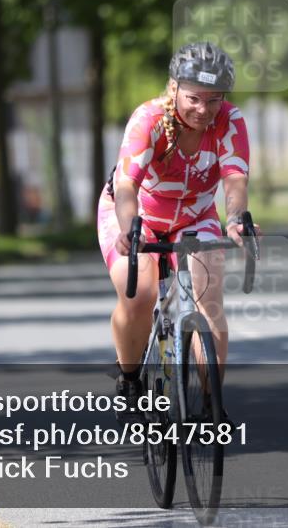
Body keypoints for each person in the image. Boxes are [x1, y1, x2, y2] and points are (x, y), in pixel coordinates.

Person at [97, 41, 257, 410]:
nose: (204, 110)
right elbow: (126, 186)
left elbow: (235, 180)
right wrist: (129, 229)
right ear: (174, 88)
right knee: (137, 292)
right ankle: (131, 378)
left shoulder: (230, 121)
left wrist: (235, 221)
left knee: (209, 300)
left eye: (214, 99)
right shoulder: (148, 119)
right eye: (194, 98)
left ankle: (210, 404)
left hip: (195, 216)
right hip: (137, 215)